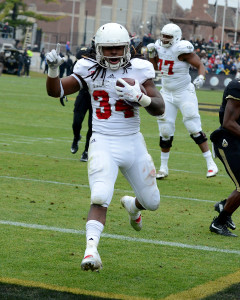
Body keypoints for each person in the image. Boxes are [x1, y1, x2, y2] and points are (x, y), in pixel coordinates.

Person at [46, 22, 165, 272]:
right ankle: (91, 252)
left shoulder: (141, 68)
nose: (113, 53)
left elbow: (159, 107)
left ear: (128, 47)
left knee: (152, 202)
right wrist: (53, 69)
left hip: (132, 142)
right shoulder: (87, 68)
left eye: (118, 48)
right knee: (100, 196)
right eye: (108, 48)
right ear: (98, 49)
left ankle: (133, 207)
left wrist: (140, 97)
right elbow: (56, 91)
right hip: (103, 141)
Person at [147, 23, 218, 179]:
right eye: (163, 36)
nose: (164, 39)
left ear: (176, 38)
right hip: (166, 92)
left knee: (193, 127)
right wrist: (151, 55)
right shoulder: (157, 47)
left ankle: (211, 164)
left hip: (184, 91)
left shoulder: (182, 49)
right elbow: (153, 69)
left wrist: (201, 76)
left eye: (168, 37)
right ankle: (163, 168)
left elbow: (199, 64)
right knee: (165, 130)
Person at [209, 79, 240, 237]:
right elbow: (228, 122)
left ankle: (224, 206)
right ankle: (218, 222)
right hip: (228, 142)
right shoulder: (237, 86)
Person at [70, 46, 94, 162]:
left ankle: (86, 151)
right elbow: (71, 80)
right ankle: (76, 137)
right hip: (84, 94)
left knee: (92, 125)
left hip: (96, 97)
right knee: (76, 122)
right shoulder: (83, 57)